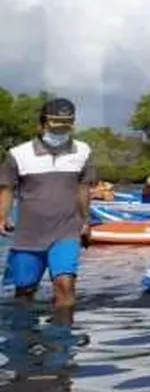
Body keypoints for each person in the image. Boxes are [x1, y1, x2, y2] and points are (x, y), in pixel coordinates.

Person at [0, 98, 96, 310]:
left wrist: (85, 221)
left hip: (66, 232)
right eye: (55, 125)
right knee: (24, 293)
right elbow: (7, 189)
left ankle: (62, 340)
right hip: (28, 236)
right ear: (41, 125)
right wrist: (2, 217)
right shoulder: (18, 154)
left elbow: (83, 189)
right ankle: (24, 336)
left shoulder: (83, 151)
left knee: (65, 286)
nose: (60, 131)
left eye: (66, 125)